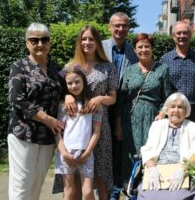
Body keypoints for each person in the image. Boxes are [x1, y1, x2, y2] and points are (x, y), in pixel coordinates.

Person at [53, 25, 118, 200]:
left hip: (99, 126)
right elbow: (60, 91)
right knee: (74, 178)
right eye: (84, 39)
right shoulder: (70, 66)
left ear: (97, 42)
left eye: (91, 39)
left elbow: (113, 98)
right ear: (79, 42)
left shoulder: (108, 67)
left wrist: (100, 99)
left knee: (101, 175)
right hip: (75, 127)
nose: (87, 42)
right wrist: (66, 97)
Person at [8, 22, 64, 200]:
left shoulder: (57, 69)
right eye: (34, 40)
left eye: (44, 40)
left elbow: (65, 92)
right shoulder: (19, 66)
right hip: (24, 133)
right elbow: (16, 98)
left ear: (50, 43)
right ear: (27, 43)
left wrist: (68, 97)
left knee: (36, 185)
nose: (40, 44)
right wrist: (47, 119)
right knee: (22, 185)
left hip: (48, 137)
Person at [116, 33, 172, 190]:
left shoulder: (162, 69)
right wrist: (118, 124)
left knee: (151, 153)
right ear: (135, 50)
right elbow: (121, 99)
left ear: (152, 49)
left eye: (147, 46)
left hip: (152, 119)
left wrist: (162, 113)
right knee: (129, 155)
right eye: (140, 47)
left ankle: (148, 189)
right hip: (129, 118)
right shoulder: (129, 70)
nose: (144, 49)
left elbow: (168, 97)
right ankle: (129, 190)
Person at [138, 92, 195, 200]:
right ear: (167, 110)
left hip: (183, 173)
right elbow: (148, 149)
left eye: (180, 107)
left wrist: (182, 171)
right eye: (172, 106)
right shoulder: (157, 125)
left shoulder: (194, 128)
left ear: (186, 111)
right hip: (157, 172)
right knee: (149, 196)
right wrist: (152, 169)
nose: (176, 110)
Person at [102, 12, 138, 200]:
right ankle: (107, 192)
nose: (120, 29)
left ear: (129, 28)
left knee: (123, 151)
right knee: (104, 154)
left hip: (125, 109)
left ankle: (123, 188)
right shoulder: (99, 46)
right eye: (117, 25)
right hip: (101, 108)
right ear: (109, 27)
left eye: (124, 25)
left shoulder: (135, 50)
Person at [55, 65, 103, 200]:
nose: (74, 86)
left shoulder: (94, 105)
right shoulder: (63, 105)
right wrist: (64, 153)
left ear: (84, 81)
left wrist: (87, 153)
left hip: (86, 153)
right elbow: (57, 131)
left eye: (77, 82)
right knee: (69, 191)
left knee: (88, 192)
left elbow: (96, 132)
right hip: (66, 153)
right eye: (69, 83)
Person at [160, 21, 195, 124]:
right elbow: (161, 87)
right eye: (178, 33)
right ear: (173, 36)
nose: (182, 36)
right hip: (172, 111)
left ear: (190, 35)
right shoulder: (165, 59)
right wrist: (162, 110)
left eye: (185, 33)